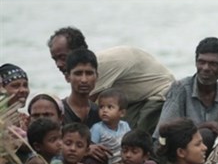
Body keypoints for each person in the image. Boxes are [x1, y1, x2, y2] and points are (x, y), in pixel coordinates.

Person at [47, 27, 175, 134]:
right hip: (136, 97)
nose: (58, 64)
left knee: (130, 136)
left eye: (62, 57)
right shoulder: (92, 65)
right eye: (54, 59)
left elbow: (82, 104)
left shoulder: (100, 66)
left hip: (160, 93)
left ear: (79, 51)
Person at [153, 37, 218, 144]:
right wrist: (205, 126)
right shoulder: (181, 88)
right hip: (179, 153)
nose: (206, 68)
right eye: (201, 62)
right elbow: (163, 134)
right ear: (196, 63)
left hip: (212, 154)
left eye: (213, 64)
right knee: (206, 134)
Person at [90, 88, 131, 164]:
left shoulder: (125, 126)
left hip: (124, 163)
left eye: (110, 107)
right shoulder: (97, 128)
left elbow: (131, 143)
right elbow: (92, 148)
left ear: (122, 113)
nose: (104, 110)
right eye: (101, 107)